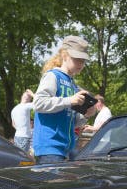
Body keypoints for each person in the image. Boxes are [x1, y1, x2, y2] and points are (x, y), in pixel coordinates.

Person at [32, 35, 94, 164]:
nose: (81, 64)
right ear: (65, 55)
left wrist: (86, 114)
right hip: (50, 148)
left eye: (83, 60)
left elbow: (71, 120)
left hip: (67, 149)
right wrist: (69, 100)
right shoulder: (52, 76)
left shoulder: (73, 85)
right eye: (77, 59)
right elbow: (38, 104)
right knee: (54, 184)